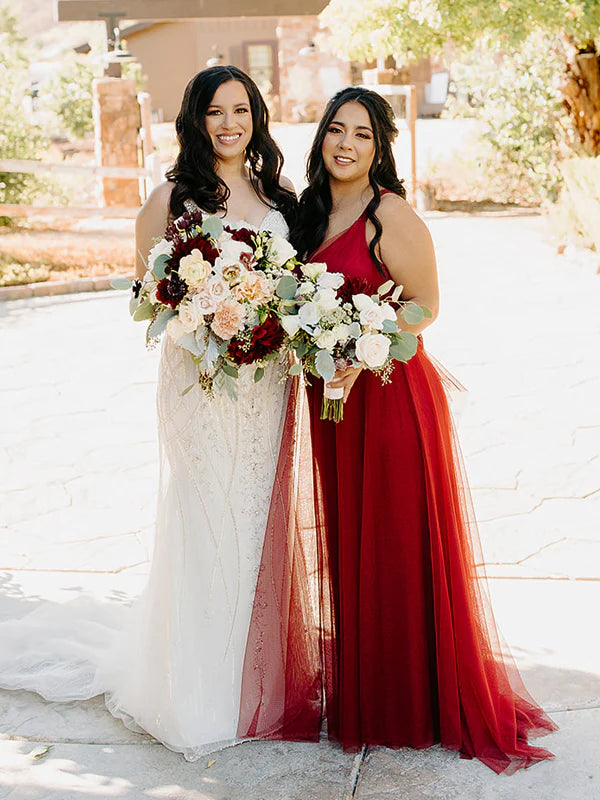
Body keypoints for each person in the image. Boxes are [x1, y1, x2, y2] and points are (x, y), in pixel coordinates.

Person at [0, 66, 297, 761]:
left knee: (257, 525)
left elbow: (297, 284)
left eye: (241, 111)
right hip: (200, 384)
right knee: (205, 519)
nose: (229, 124)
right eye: (214, 113)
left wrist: (266, 324)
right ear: (194, 121)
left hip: (267, 387)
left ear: (256, 117)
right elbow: (148, 294)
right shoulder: (170, 199)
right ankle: (197, 691)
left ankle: (255, 678)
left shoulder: (280, 197)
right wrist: (211, 323)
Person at [274, 86, 556, 774]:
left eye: (362, 135)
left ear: (381, 148)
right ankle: (367, 693)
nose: (345, 144)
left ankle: (414, 702)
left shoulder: (390, 215)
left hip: (391, 398)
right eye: (336, 130)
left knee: (397, 545)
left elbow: (427, 305)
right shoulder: (308, 213)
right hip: (332, 403)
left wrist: (360, 334)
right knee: (350, 542)